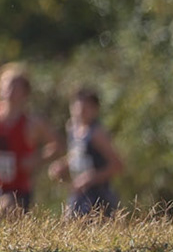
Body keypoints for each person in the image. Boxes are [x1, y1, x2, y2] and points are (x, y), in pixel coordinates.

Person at [0, 62, 60, 217]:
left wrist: (35, 160)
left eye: (14, 87)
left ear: (25, 92)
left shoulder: (32, 122)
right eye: (4, 85)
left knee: (3, 211)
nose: (8, 91)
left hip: (20, 190)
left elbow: (57, 145)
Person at [52, 87, 124, 219]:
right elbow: (77, 154)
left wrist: (91, 178)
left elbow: (117, 165)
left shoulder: (97, 134)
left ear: (95, 110)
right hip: (78, 191)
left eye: (85, 108)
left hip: (98, 194)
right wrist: (63, 165)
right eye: (76, 107)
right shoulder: (72, 129)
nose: (79, 112)